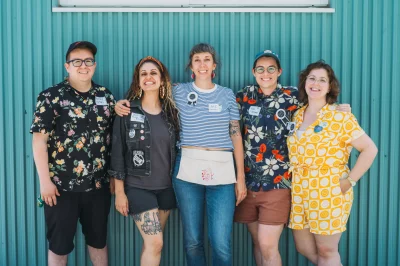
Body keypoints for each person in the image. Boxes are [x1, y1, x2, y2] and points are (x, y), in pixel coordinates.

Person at [115, 43, 247, 266]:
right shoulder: (178, 91)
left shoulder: (226, 95)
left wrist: (240, 178)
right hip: (188, 172)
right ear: (191, 66)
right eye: (197, 60)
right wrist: (119, 104)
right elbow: (151, 95)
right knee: (193, 241)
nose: (202, 64)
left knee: (221, 243)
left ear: (214, 65)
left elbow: (236, 136)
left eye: (207, 59)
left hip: (223, 173)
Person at [234, 50, 351, 266]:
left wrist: (338, 108)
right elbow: (221, 110)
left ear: (279, 71)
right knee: (258, 243)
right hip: (249, 183)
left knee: (268, 245)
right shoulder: (244, 96)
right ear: (253, 72)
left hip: (280, 182)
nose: (265, 73)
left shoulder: (293, 96)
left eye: (271, 68)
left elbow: (318, 107)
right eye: (260, 69)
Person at [30, 41, 115, 266]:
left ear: (94, 65)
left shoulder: (105, 96)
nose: (83, 66)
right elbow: (39, 140)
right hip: (60, 189)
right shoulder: (51, 97)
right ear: (67, 66)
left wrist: (115, 179)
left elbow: (116, 139)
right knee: (59, 246)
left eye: (88, 61)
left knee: (98, 243)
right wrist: (45, 182)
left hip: (98, 188)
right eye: (76, 61)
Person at [287, 60, 378, 266]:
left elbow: (370, 149)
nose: (315, 84)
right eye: (311, 78)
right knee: (303, 246)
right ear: (304, 83)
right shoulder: (298, 114)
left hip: (329, 188)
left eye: (322, 80)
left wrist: (350, 180)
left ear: (329, 87)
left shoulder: (340, 117)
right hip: (300, 188)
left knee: (327, 250)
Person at [108, 56, 179, 266]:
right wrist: (120, 192)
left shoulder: (171, 113)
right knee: (155, 242)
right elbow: (117, 152)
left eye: (153, 73)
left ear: (162, 79)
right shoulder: (127, 112)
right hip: (138, 187)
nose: (149, 77)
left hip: (167, 188)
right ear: (138, 81)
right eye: (144, 74)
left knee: (153, 244)